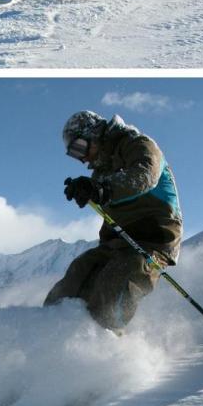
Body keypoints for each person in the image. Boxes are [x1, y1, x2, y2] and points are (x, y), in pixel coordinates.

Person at [44, 110, 182, 332]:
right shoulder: (100, 172)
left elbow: (144, 175)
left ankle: (105, 345)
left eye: (80, 148)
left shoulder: (138, 144)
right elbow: (104, 198)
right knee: (79, 273)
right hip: (117, 241)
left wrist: (102, 189)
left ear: (94, 133)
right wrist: (87, 191)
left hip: (153, 238)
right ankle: (47, 332)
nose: (82, 158)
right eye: (74, 154)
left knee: (116, 281)